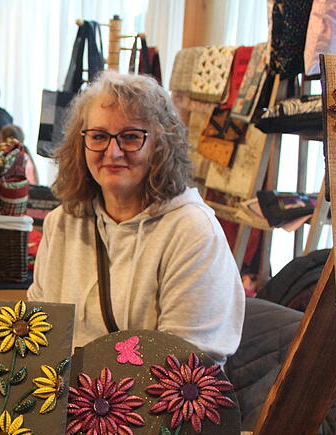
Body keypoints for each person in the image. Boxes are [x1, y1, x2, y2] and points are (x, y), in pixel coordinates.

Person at [28, 72, 244, 365]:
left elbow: (185, 367)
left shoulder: (193, 232)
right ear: (81, 143)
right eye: (99, 136)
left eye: (131, 137)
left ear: (160, 144)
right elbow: (39, 333)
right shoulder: (62, 223)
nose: (113, 152)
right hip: (64, 389)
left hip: (152, 392)